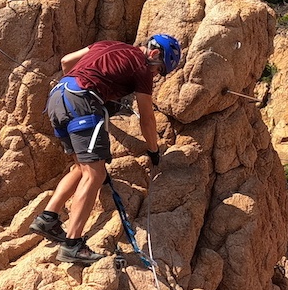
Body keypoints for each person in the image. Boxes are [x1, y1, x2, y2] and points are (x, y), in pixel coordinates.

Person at [28, 34, 182, 265]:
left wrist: (95, 81)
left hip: (57, 98)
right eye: (158, 69)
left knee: (81, 168)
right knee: (96, 174)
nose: (155, 75)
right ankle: (73, 245)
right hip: (82, 101)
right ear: (155, 54)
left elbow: (66, 62)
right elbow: (147, 118)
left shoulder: (108, 44)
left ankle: (48, 218)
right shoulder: (141, 68)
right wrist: (153, 151)